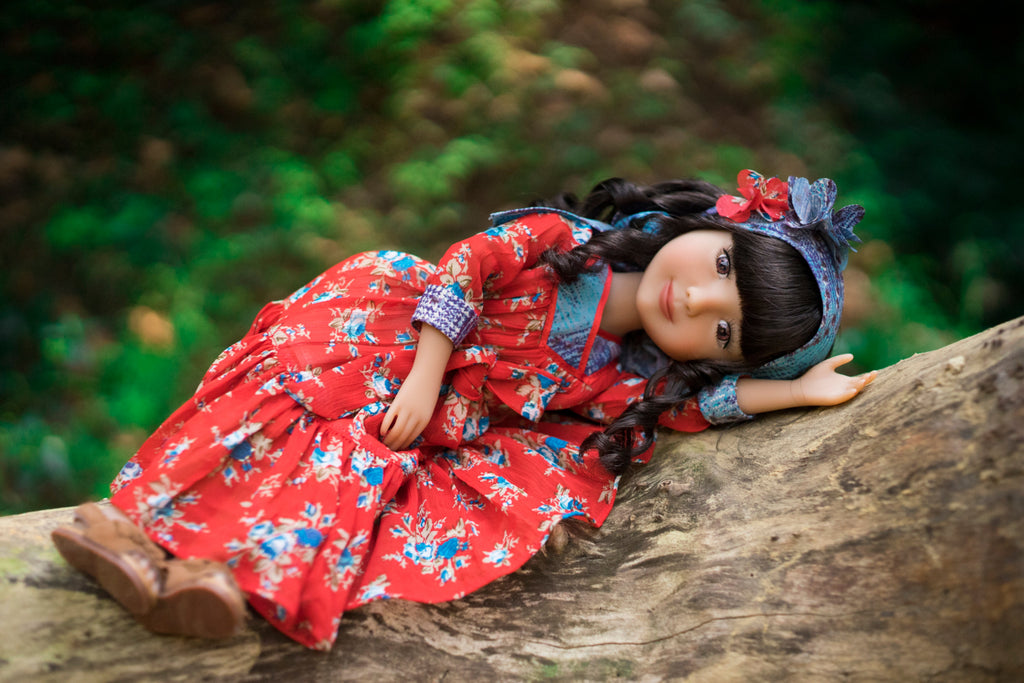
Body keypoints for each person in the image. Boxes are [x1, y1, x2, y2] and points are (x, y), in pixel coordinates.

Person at [51, 170, 875, 649]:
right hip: (390, 338)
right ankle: (130, 525)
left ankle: (206, 570)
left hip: (438, 412)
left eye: (722, 329)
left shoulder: (631, 378)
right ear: (710, 222)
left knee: (348, 476)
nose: (693, 296)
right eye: (722, 263)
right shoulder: (562, 244)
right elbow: (469, 264)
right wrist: (424, 374)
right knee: (290, 421)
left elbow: (700, 409)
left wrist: (796, 391)